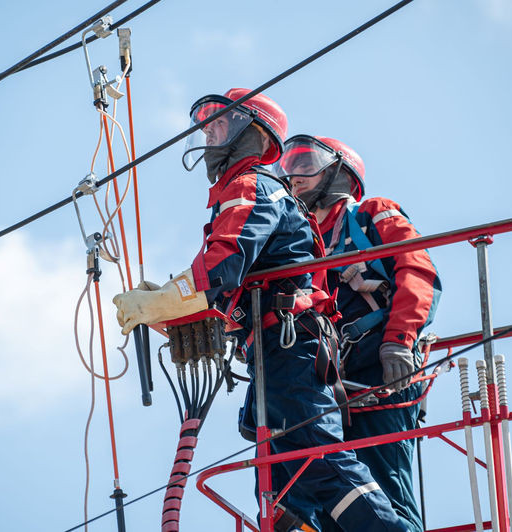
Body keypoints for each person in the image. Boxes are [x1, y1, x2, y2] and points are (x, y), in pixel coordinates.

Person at [113, 90, 408, 531]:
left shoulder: (254, 186)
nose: (208, 133)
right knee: (279, 482)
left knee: (318, 459)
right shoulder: (239, 192)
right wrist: (159, 313)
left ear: (251, 132)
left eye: (218, 123)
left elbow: (216, 272)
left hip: (293, 351)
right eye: (205, 124)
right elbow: (219, 300)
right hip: (271, 354)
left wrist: (159, 302)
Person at [275, 135, 441, 532]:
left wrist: (398, 342)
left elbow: (417, 272)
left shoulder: (371, 215)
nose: (293, 177)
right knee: (333, 501)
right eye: (288, 168)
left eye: (305, 165)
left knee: (384, 489)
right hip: (326, 387)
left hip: (379, 375)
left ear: (339, 173)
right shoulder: (301, 241)